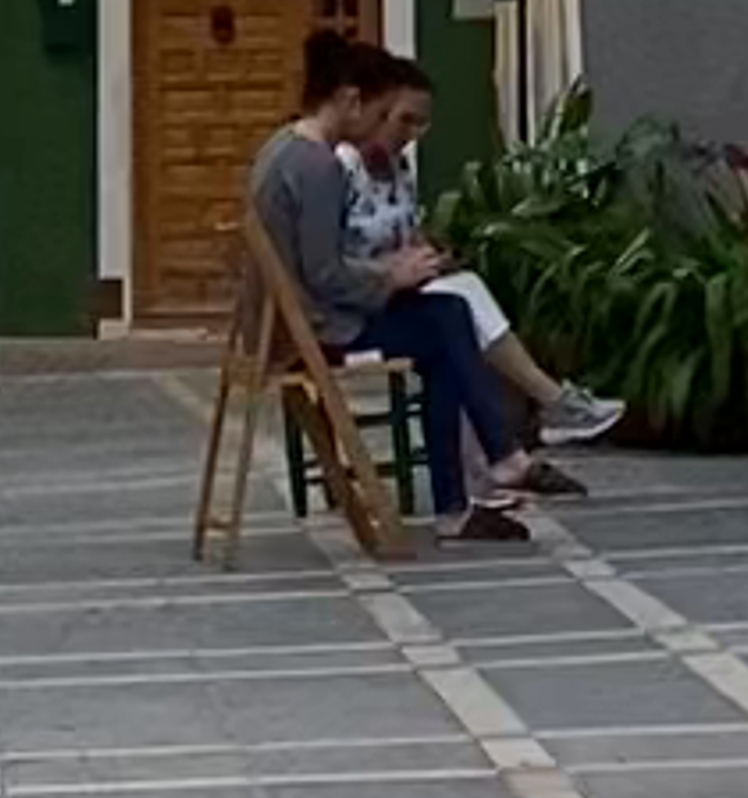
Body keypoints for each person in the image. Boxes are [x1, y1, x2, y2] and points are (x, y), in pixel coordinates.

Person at [298, 34, 622, 477]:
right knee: (459, 308)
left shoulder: (399, 169)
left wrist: (429, 255)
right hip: (359, 304)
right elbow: (325, 261)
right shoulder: (335, 167)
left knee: (459, 304)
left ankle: (501, 451)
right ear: (371, 110)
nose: (411, 136)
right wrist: (392, 270)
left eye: (421, 125)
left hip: (402, 289)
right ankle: (542, 412)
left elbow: (406, 234)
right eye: (402, 120)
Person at [244, 76, 536, 540]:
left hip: (297, 322)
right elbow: (326, 275)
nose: (378, 129)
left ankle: (480, 479)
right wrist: (390, 276)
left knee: (449, 319)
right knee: (448, 322)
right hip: (315, 331)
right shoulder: (319, 166)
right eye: (381, 116)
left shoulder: (283, 150)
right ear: (350, 101)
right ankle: (487, 468)